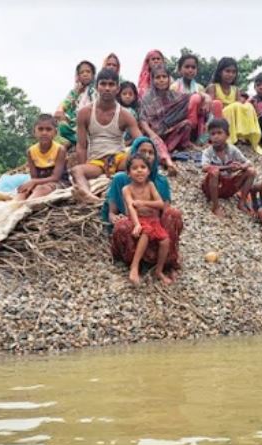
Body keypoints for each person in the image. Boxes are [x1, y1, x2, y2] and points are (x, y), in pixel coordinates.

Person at [105, 136, 183, 275]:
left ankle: (165, 262)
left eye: (151, 152)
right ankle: (135, 263)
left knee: (174, 214)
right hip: (133, 225)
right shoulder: (121, 179)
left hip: (154, 222)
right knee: (122, 225)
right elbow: (113, 211)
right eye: (142, 151)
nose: (147, 155)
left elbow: (164, 210)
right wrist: (113, 216)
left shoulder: (160, 181)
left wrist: (150, 213)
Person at [70, 68, 142, 203]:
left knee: (136, 160)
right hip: (96, 162)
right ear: (97, 86)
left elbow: (141, 141)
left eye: (111, 84)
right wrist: (84, 165)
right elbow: (81, 145)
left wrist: (139, 156)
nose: (107, 88)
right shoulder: (84, 113)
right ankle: (87, 194)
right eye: (103, 84)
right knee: (76, 171)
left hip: (119, 159)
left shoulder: (125, 115)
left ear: (117, 88)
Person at [121, 154, 173, 285]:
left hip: (153, 219)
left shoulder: (150, 185)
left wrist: (143, 203)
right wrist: (137, 224)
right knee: (146, 232)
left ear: (148, 171)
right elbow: (131, 207)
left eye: (143, 167)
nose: (139, 170)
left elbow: (161, 204)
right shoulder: (127, 189)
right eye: (134, 168)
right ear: (128, 173)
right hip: (137, 219)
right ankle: (134, 267)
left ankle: (159, 271)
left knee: (165, 240)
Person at [139, 65, 193, 174]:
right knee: (155, 141)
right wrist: (151, 133)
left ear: (169, 79)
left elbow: (190, 97)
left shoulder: (174, 95)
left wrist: (205, 97)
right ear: (153, 80)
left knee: (187, 124)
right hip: (154, 133)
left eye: (164, 77)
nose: (161, 80)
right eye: (157, 77)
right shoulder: (147, 97)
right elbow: (142, 119)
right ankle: (169, 163)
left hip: (169, 132)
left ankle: (170, 149)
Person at [205, 57, 262, 153]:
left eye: (233, 72)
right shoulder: (213, 87)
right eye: (227, 71)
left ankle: (247, 135)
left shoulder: (235, 89)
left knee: (248, 106)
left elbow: (239, 108)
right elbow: (211, 107)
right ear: (220, 72)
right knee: (234, 105)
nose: (230, 75)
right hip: (218, 118)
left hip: (233, 119)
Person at [201, 118, 255, 217]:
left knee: (251, 171)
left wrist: (241, 167)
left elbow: (249, 163)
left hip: (227, 187)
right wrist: (227, 167)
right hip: (211, 187)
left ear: (227, 135)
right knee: (214, 171)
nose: (216, 137)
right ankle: (215, 206)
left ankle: (242, 202)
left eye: (219, 133)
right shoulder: (208, 152)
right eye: (213, 134)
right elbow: (204, 167)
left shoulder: (233, 150)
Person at [171, 54, 223, 143]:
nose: (190, 70)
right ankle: (190, 134)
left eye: (193, 67)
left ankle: (216, 135)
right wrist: (199, 97)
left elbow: (205, 102)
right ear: (180, 70)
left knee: (217, 104)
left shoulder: (199, 87)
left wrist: (205, 101)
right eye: (187, 67)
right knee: (195, 98)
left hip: (199, 116)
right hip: (181, 117)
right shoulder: (175, 86)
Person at [16, 114, 69, 200]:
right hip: (39, 183)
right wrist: (31, 185)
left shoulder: (60, 150)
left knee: (41, 189)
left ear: (55, 133)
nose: (44, 133)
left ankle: (28, 205)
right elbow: (34, 177)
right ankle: (14, 206)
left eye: (48, 129)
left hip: (59, 182)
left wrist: (34, 182)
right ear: (34, 132)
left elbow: (56, 178)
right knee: (23, 191)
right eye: (40, 129)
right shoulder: (31, 151)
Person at [54, 60, 97, 145]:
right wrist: (76, 94)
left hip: (91, 123)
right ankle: (79, 140)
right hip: (74, 126)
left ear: (93, 75)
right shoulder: (73, 92)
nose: (85, 74)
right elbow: (64, 106)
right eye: (82, 72)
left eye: (88, 71)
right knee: (62, 127)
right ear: (78, 76)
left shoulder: (96, 90)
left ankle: (79, 141)